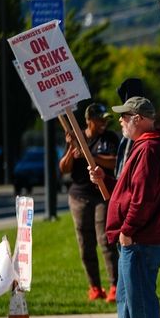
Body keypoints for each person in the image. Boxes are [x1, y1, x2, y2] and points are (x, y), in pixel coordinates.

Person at [89, 96, 160, 318]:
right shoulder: (145, 146)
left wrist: (128, 229)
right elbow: (129, 190)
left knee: (140, 299)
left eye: (125, 116)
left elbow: (142, 198)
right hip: (138, 237)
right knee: (127, 299)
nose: (121, 122)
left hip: (140, 238)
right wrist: (106, 179)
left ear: (138, 118)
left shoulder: (149, 149)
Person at [59, 103, 120, 302]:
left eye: (105, 119)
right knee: (85, 243)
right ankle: (94, 287)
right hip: (79, 196)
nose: (104, 122)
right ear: (89, 120)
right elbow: (64, 168)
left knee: (106, 240)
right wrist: (71, 149)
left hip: (102, 194)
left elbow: (114, 161)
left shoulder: (110, 138)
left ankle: (114, 286)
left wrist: (89, 154)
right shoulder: (76, 137)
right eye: (100, 119)